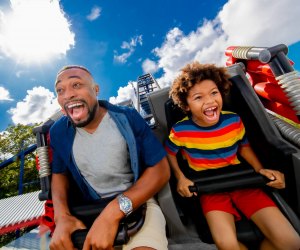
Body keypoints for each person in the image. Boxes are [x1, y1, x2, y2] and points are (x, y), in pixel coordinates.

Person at [165, 62, 300, 250]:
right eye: (198, 97)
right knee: (227, 244)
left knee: (291, 242)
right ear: (186, 106)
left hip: (242, 180)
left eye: (214, 93)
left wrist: (260, 170)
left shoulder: (234, 120)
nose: (210, 101)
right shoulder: (180, 130)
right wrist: (181, 178)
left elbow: (244, 147)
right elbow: (170, 153)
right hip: (209, 186)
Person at [49, 65, 170, 250]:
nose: (68, 94)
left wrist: (113, 212)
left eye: (76, 84)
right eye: (60, 90)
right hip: (90, 210)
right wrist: (62, 216)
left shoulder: (127, 117)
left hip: (139, 203)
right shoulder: (58, 131)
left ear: (95, 90)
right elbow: (59, 174)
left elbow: (160, 169)